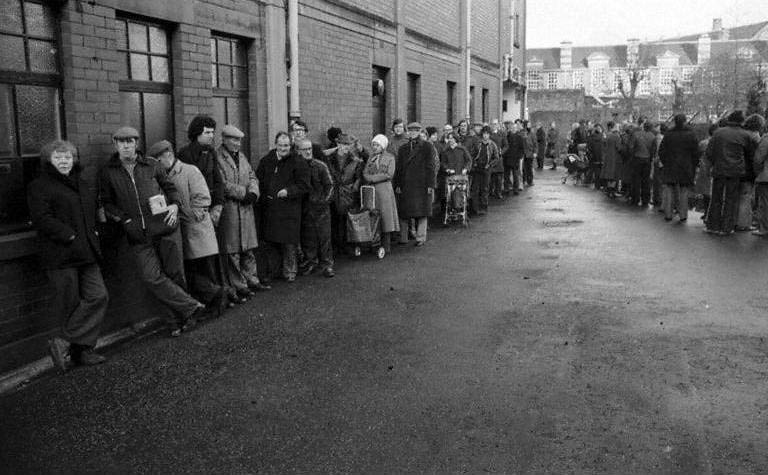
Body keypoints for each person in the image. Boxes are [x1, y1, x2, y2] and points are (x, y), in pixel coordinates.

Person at [100, 126, 205, 337]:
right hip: (137, 234)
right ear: (116, 145)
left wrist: (175, 205)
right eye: (122, 142)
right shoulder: (108, 171)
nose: (127, 145)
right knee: (152, 278)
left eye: (130, 141)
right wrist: (125, 219)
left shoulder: (152, 165)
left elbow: (170, 188)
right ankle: (190, 307)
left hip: (165, 227)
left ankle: (179, 321)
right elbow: (107, 203)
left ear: (136, 144)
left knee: (174, 274)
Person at [28, 140, 108, 369]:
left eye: (68, 157)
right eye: (58, 157)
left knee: (98, 296)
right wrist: (69, 235)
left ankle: (63, 341)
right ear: (48, 160)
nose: (64, 161)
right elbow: (42, 218)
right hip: (61, 255)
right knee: (70, 303)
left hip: (86, 252)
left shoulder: (81, 183)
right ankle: (82, 353)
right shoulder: (39, 185)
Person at [148, 140, 228, 318]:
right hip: (182, 233)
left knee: (203, 271)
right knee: (191, 272)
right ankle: (210, 303)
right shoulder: (164, 175)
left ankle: (217, 304)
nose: (156, 165)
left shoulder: (190, 171)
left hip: (196, 232)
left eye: (158, 160)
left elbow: (202, 200)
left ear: (168, 155)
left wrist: (182, 215)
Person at [215, 125, 269, 298]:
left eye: (239, 140)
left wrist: (254, 192)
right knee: (233, 251)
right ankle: (239, 285)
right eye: (234, 139)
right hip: (230, 210)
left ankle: (252, 279)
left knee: (248, 248)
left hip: (245, 209)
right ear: (224, 139)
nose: (238, 143)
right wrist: (244, 193)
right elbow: (221, 184)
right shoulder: (217, 157)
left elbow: (252, 175)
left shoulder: (242, 156)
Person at [255, 132, 310, 282]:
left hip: (289, 209)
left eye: (286, 145)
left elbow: (304, 186)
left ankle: (290, 271)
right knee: (272, 242)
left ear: (290, 146)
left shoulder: (298, 162)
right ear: (275, 144)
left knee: (289, 243)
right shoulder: (267, 161)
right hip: (271, 209)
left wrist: (289, 191)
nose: (283, 148)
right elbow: (258, 179)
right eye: (280, 145)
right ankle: (274, 271)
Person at [705, 110, 756, 235]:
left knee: (716, 198)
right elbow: (751, 155)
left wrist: (716, 162)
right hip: (735, 171)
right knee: (730, 199)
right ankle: (727, 227)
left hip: (719, 169)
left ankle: (713, 225)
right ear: (741, 120)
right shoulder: (745, 135)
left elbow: (709, 153)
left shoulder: (718, 133)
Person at [176, 115, 225, 227]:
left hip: (211, 207)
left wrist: (218, 205)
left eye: (212, 132)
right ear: (197, 133)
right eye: (207, 133)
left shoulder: (211, 152)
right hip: (194, 210)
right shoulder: (185, 154)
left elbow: (217, 179)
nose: (211, 136)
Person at [296, 138, 335, 277]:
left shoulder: (320, 166)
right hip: (305, 209)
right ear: (298, 151)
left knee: (325, 239)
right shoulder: (297, 167)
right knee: (308, 238)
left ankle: (327, 265)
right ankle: (311, 262)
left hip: (321, 209)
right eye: (304, 149)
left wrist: (323, 202)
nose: (308, 152)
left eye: (309, 149)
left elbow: (330, 186)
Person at [394, 122, 436, 246]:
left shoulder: (427, 147)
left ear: (419, 132)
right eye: (410, 131)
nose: (412, 133)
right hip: (406, 184)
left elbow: (431, 167)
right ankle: (403, 237)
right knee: (404, 211)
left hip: (421, 184)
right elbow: (399, 168)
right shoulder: (403, 148)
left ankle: (420, 237)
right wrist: (398, 184)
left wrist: (430, 185)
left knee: (422, 211)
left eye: (415, 131)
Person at [327, 133, 364, 254]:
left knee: (346, 220)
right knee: (334, 219)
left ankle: (345, 245)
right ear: (338, 144)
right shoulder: (329, 158)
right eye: (343, 144)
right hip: (333, 192)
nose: (346, 147)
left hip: (347, 193)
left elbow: (358, 177)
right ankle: (335, 245)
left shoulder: (355, 160)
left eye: (348, 144)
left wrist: (354, 188)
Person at [658, 114, 699, 223]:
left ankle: (668, 214)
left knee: (669, 189)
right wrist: (693, 165)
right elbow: (696, 153)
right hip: (686, 166)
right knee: (684, 191)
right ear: (685, 121)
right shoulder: (691, 135)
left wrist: (665, 162)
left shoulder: (668, 134)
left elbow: (661, 151)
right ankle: (683, 215)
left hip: (670, 165)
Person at [363, 135, 400, 254]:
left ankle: (386, 244)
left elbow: (389, 174)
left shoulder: (390, 158)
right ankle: (374, 242)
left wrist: (372, 178)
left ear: (383, 146)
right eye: (373, 145)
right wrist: (368, 177)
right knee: (373, 215)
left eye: (377, 145)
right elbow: (365, 172)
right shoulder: (371, 158)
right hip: (372, 191)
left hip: (384, 190)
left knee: (386, 216)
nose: (375, 147)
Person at [736, 114, 765, 231]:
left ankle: (733, 221)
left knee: (736, 197)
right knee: (745, 198)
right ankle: (743, 224)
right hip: (747, 172)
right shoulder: (755, 138)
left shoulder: (740, 134)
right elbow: (756, 158)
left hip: (735, 170)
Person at [470, 126, 500, 215]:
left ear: (489, 135)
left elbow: (496, 158)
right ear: (482, 134)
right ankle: (475, 208)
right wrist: (474, 163)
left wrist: (490, 165)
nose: (485, 136)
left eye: (487, 134)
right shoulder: (478, 144)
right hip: (477, 168)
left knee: (485, 188)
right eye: (484, 134)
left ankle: (484, 207)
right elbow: (472, 154)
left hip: (486, 169)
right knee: (475, 188)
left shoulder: (492, 145)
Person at [626, 121, 656, 206]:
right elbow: (653, 150)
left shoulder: (636, 134)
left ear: (644, 127)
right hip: (647, 160)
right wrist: (650, 158)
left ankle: (635, 199)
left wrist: (633, 156)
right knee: (646, 181)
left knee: (636, 180)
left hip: (637, 159)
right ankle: (645, 200)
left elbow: (630, 147)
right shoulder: (653, 136)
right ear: (650, 128)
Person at [752, 120, 768, 236]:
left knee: (764, 203)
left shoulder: (766, 139)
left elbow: (758, 159)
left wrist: (758, 172)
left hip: (766, 176)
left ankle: (764, 228)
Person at [600, 121, 622, 197]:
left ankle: (609, 190)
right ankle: (612, 191)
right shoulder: (616, 136)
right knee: (614, 175)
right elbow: (619, 148)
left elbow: (603, 145)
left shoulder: (607, 135)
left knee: (609, 174)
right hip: (615, 157)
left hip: (607, 156)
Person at [489, 120, 508, 198]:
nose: (494, 125)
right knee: (491, 176)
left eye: (495, 124)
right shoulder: (488, 134)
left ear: (498, 125)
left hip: (499, 158)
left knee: (499, 177)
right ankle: (490, 192)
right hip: (490, 158)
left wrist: (501, 152)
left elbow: (506, 145)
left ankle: (498, 192)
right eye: (493, 124)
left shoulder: (502, 134)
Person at [505, 122, 525, 195]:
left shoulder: (519, 137)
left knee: (515, 175)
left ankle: (515, 189)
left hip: (515, 158)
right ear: (510, 128)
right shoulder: (507, 136)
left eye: (515, 128)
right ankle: (506, 188)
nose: (513, 129)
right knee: (506, 175)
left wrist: (520, 156)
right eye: (512, 128)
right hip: (507, 158)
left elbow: (522, 148)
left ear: (516, 129)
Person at [586, 124, 605, 189]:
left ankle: (594, 184)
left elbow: (588, 148)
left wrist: (590, 155)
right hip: (601, 156)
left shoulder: (590, 138)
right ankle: (600, 184)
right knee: (601, 171)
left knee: (594, 170)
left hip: (594, 157)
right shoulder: (602, 137)